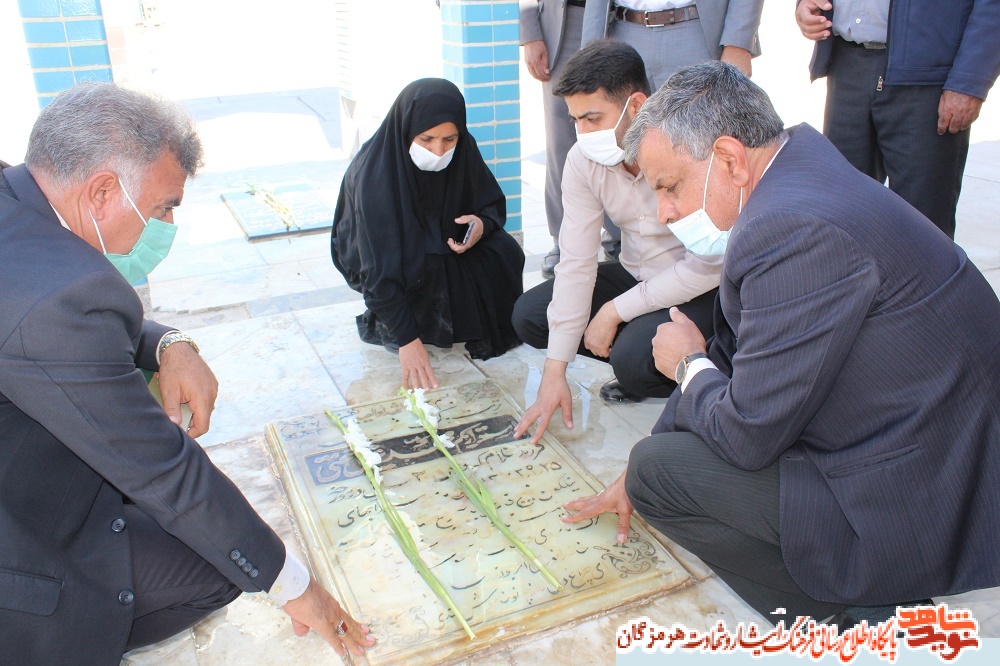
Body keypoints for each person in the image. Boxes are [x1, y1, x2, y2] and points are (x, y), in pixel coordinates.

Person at [558, 62, 1000, 628]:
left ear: (729, 159)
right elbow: (735, 350)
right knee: (658, 452)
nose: (665, 214)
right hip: (915, 434)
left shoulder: (789, 228)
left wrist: (687, 365)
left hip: (920, 488)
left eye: (669, 187)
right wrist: (691, 385)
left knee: (658, 474)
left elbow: (745, 436)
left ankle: (854, 617)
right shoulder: (794, 172)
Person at [0, 83, 375, 664]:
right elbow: (165, 470)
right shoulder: (62, 295)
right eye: (161, 208)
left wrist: (169, 342)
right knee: (218, 566)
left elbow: (57, 323)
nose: (167, 225)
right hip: (21, 535)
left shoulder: (16, 202)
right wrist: (299, 588)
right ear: (101, 192)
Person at [512, 40, 721, 442]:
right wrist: (554, 372)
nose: (583, 133)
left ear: (637, 106)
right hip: (634, 273)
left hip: (697, 286)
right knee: (531, 316)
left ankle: (687, 367)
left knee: (631, 364)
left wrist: (613, 312)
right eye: (576, 120)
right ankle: (642, 347)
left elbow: (708, 264)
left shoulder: (688, 147)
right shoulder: (583, 161)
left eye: (593, 118)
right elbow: (576, 262)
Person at [331, 78, 524, 390]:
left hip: (445, 240)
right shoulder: (375, 175)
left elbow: (489, 202)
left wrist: (481, 224)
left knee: (503, 250)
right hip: (391, 254)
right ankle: (396, 321)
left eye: (449, 139)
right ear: (407, 130)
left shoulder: (464, 149)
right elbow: (376, 265)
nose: (438, 150)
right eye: (426, 139)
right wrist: (407, 340)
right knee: (420, 265)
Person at [795, 0, 1000, 239]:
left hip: (928, 78)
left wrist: (969, 81)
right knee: (839, 217)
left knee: (921, 227)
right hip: (846, 64)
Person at [582, 1, 765, 84]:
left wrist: (738, 43)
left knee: (702, 136)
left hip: (697, 34)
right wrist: (589, 51)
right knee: (627, 143)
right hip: (623, 32)